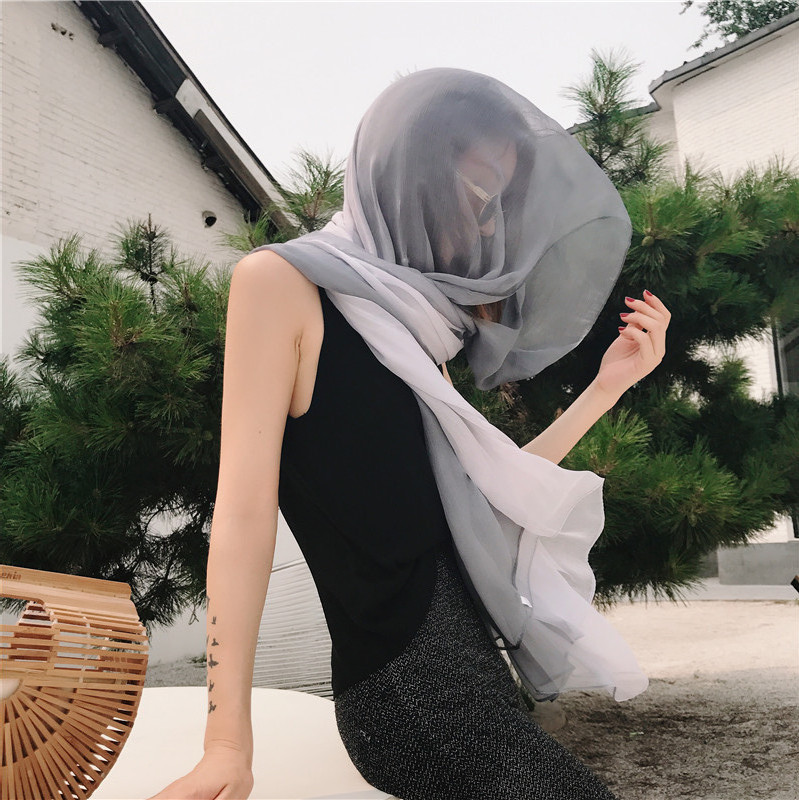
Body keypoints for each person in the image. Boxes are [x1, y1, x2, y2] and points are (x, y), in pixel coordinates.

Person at [148, 68, 669, 800]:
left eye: (499, 202)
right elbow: (240, 514)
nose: (489, 225)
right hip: (407, 695)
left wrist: (606, 388)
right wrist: (227, 745)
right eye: (479, 192)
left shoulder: (411, 327)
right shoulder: (280, 284)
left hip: (469, 683)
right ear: (412, 174)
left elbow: (484, 495)